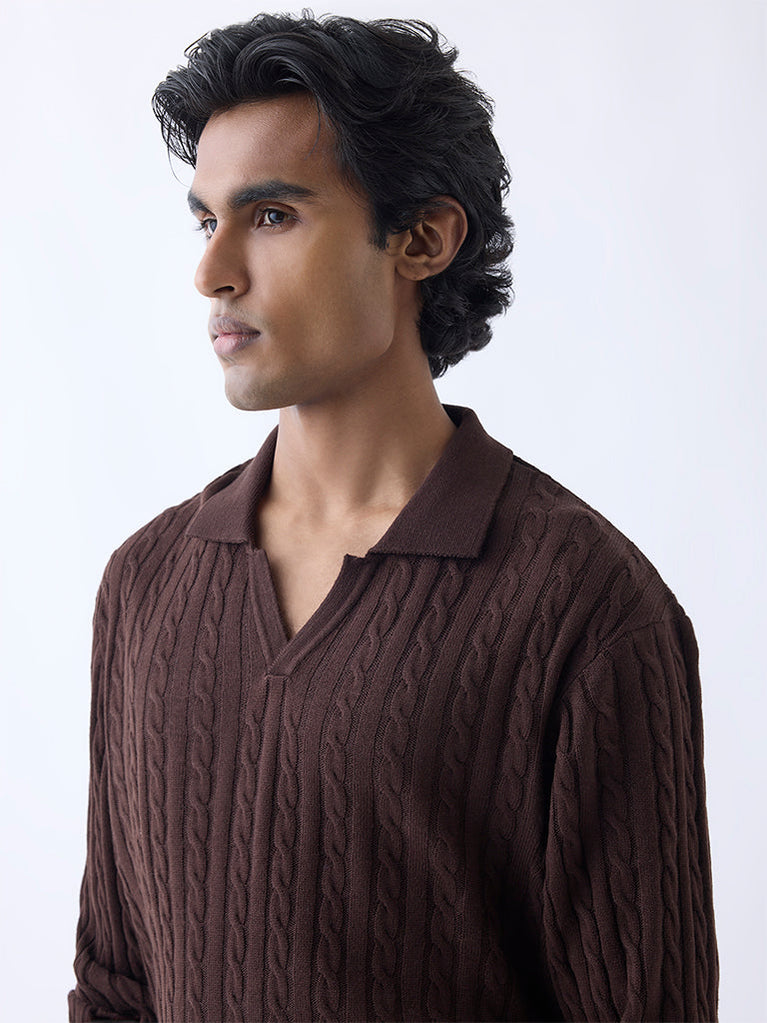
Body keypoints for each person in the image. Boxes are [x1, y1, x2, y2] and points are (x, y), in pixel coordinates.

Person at [68, 13, 718, 1022]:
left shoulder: (585, 608)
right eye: (206, 221)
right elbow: (117, 987)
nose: (213, 272)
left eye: (270, 215)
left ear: (422, 239)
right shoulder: (147, 581)